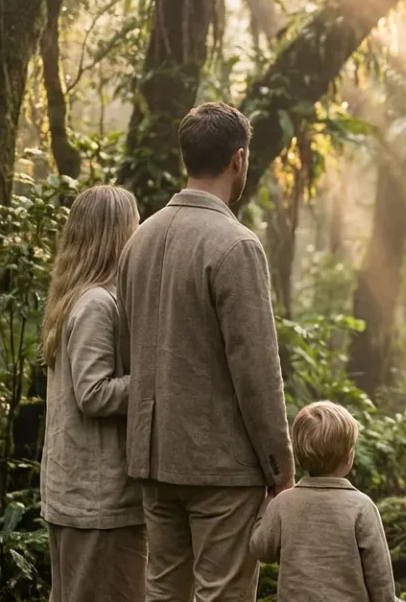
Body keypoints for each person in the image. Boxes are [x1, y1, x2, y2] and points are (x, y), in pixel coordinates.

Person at [119, 102, 294, 601]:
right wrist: (280, 467)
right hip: (221, 465)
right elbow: (256, 370)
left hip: (154, 459)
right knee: (223, 595)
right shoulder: (235, 245)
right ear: (239, 159)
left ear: (186, 157)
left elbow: (130, 348)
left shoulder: (140, 240)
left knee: (163, 593)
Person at [40, 185, 145, 602]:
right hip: (98, 504)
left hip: (85, 497)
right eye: (134, 225)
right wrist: (158, 381)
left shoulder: (82, 299)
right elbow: (94, 393)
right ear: (116, 234)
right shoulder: (98, 304)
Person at [249, 402, 396, 602]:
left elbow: (261, 550)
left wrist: (268, 500)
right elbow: (380, 575)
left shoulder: (283, 503)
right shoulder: (362, 506)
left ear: (299, 456)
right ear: (348, 456)